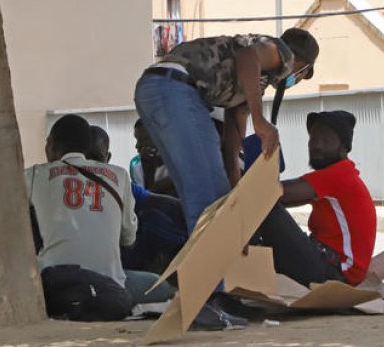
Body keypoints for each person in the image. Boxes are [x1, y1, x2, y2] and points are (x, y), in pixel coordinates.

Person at [132, 27, 319, 328]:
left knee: (215, 200)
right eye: (302, 75)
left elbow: (233, 141)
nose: (294, 79)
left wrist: (237, 203)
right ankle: (205, 299)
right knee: (208, 202)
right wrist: (262, 121)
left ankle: (212, 295)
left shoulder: (247, 87)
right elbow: (248, 56)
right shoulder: (280, 53)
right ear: (302, 66)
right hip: (177, 90)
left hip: (158, 89)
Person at [26, 115, 136, 321]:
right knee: (157, 284)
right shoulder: (120, 176)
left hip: (54, 290)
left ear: (52, 144)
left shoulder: (34, 175)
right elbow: (129, 238)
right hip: (110, 292)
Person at [255, 110, 377, 287]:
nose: (316, 145)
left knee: (261, 202)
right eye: (313, 139)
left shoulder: (339, 174)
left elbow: (276, 193)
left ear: (343, 147)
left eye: (326, 140)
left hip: (335, 275)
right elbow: (284, 200)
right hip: (329, 268)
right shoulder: (337, 176)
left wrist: (240, 175)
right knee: (263, 203)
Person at [87, 126, 185, 290]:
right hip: (105, 261)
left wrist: (197, 216)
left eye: (96, 159)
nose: (138, 146)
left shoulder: (117, 179)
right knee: (152, 221)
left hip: (119, 252)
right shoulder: (130, 171)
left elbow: (153, 199)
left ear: (108, 158)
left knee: (157, 216)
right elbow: (128, 236)